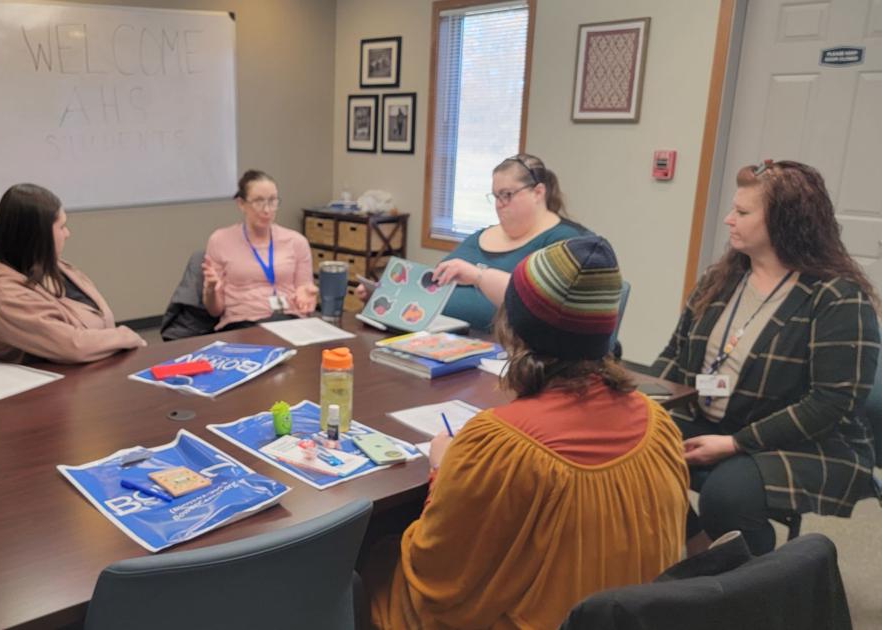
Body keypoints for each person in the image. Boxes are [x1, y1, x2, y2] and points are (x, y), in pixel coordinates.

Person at [367, 236, 689, 630]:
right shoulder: (660, 425)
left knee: (374, 556)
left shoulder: (503, 445)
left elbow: (440, 580)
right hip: (630, 619)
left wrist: (443, 471)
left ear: (515, 327)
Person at [653, 160, 879, 556]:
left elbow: (829, 404)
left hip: (809, 440)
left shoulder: (837, 297)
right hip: (719, 414)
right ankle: (705, 553)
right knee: (629, 448)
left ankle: (754, 589)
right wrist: (644, 404)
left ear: (785, 221)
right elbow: (676, 357)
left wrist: (735, 443)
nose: (728, 219)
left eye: (742, 212)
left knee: (727, 497)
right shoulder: (720, 278)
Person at [357, 154, 588, 332]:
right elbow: (432, 286)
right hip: (445, 339)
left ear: (538, 193)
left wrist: (478, 276)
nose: (499, 204)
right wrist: (386, 298)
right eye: (496, 196)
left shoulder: (567, 242)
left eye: (507, 195)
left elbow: (541, 299)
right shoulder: (482, 237)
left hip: (511, 355)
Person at [0, 183, 147, 364]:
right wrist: (124, 337)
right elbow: (74, 346)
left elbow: (101, 320)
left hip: (93, 373)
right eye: (61, 227)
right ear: (37, 235)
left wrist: (112, 339)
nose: (67, 233)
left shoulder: (57, 268)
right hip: (47, 387)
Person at [202, 169, 319, 330]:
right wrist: (210, 289)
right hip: (242, 324)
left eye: (272, 201)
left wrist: (306, 298)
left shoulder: (296, 242)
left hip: (289, 321)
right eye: (258, 201)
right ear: (241, 204)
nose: (267, 210)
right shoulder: (220, 240)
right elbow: (215, 311)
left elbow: (304, 290)